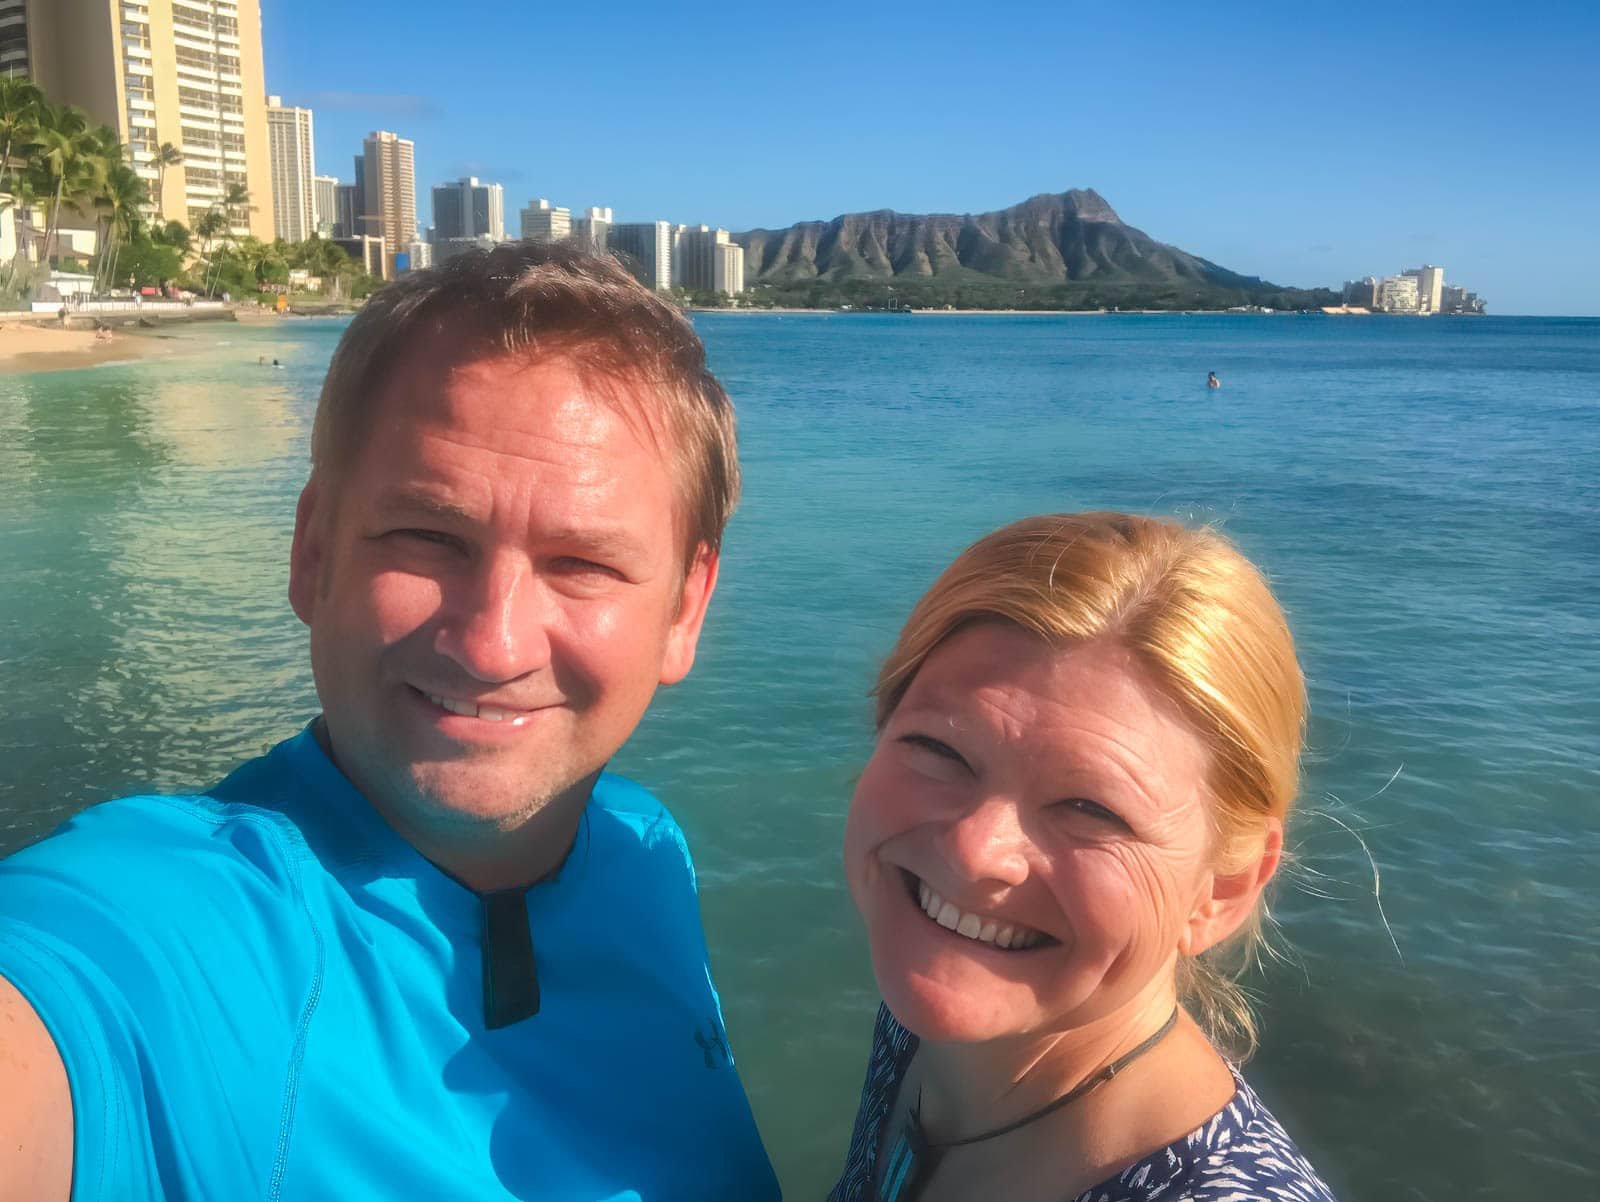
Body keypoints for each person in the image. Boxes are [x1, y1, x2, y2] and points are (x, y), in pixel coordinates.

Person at [0, 242, 780, 1201]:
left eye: (583, 563)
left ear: (686, 608)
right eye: (426, 536)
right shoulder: (181, 934)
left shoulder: (642, 848)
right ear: (313, 552)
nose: (493, 646)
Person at [830, 512, 1336, 1202]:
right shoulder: (927, 1016)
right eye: (940, 749)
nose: (976, 850)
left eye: (1092, 809)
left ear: (1224, 887)